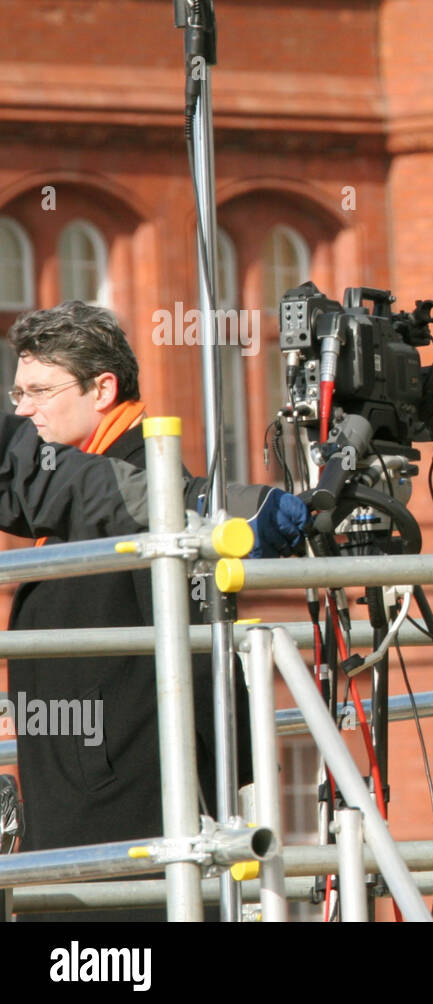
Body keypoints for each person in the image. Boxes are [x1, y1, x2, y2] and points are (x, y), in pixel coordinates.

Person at [0, 301, 307, 921]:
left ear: (102, 388)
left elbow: (200, 661)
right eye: (16, 393)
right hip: (87, 808)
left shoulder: (144, 490)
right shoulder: (84, 491)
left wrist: (229, 793)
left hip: (125, 819)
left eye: (38, 391)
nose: (23, 409)